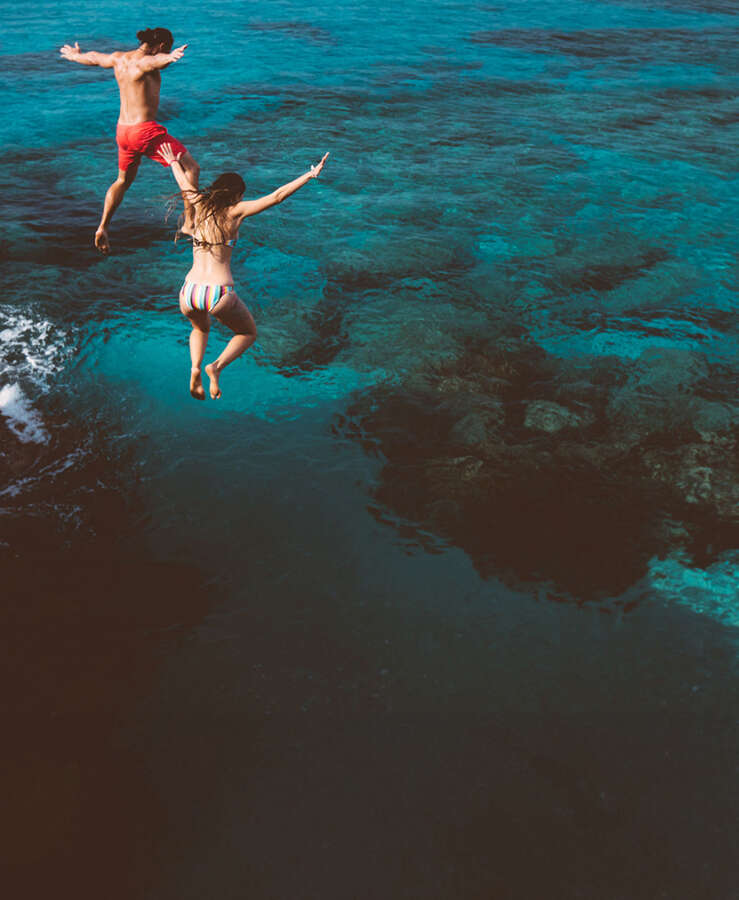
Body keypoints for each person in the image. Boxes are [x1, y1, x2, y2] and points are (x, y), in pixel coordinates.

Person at [159, 142, 329, 400]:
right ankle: (214, 367)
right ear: (236, 195)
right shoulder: (236, 212)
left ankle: (194, 368)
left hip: (189, 291)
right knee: (248, 333)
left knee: (200, 329)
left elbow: (184, 183)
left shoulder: (200, 203)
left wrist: (173, 162)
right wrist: (310, 174)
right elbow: (276, 196)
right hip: (217, 292)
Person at [59, 27, 200, 254]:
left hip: (123, 132)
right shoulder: (146, 62)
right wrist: (170, 58)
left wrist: (75, 55)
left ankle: (103, 227)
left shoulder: (119, 58)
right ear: (162, 45)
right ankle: (189, 223)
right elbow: (155, 63)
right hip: (144, 131)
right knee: (191, 168)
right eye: (168, 48)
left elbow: (95, 58)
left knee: (122, 181)